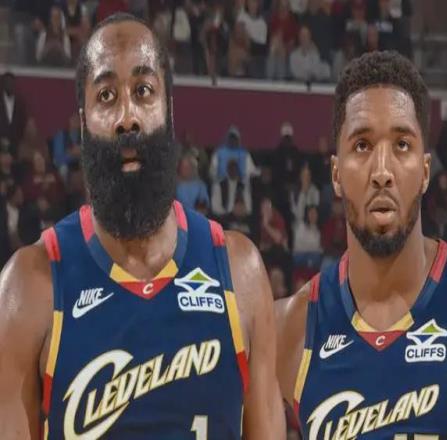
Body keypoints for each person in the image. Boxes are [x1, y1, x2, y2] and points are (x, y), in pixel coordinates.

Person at [0, 13, 285, 439]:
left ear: (169, 109)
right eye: (106, 96)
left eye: (143, 90)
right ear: (83, 122)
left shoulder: (238, 272)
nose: (127, 117)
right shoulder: (27, 289)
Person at [275, 51, 447, 439]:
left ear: (425, 172)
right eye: (362, 145)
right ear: (336, 174)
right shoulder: (290, 329)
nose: (382, 172)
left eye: (402, 145)